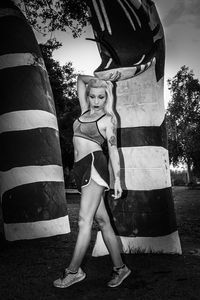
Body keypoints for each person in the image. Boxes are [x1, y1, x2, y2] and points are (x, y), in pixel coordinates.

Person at [53, 74, 131, 288]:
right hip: (80, 170)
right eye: (93, 96)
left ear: (107, 99)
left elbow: (113, 151)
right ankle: (121, 268)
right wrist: (104, 81)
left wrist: (117, 178)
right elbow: (79, 80)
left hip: (94, 166)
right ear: (88, 97)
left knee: (83, 221)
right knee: (104, 222)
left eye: (101, 97)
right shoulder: (83, 112)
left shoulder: (107, 120)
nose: (97, 101)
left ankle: (73, 271)